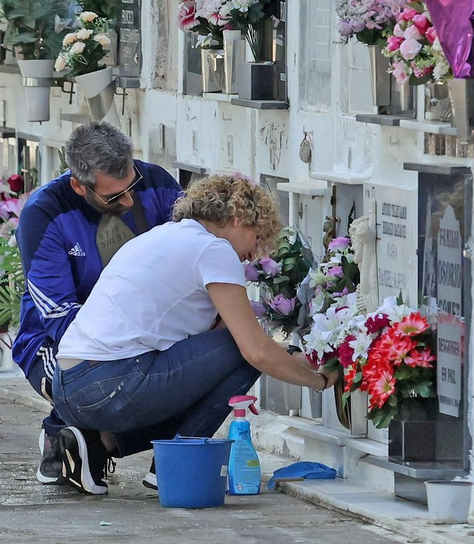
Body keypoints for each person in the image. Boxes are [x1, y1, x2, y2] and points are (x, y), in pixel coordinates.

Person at [50, 175, 339, 494]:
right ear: (238, 217)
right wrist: (320, 382)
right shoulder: (213, 250)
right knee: (244, 357)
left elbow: (209, 351)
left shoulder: (163, 236)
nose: (254, 255)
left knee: (228, 361)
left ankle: (95, 444)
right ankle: (175, 465)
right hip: (111, 384)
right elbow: (252, 350)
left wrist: (295, 357)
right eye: (257, 238)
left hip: (69, 387)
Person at [13, 122, 181, 492]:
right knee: (92, 390)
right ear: (79, 185)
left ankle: (83, 443)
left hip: (149, 328)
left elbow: (190, 261)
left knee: (202, 363)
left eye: (132, 186)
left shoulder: (160, 185)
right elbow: (60, 318)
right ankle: (80, 434)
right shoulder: (43, 213)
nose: (130, 202)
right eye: (113, 197)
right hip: (59, 340)